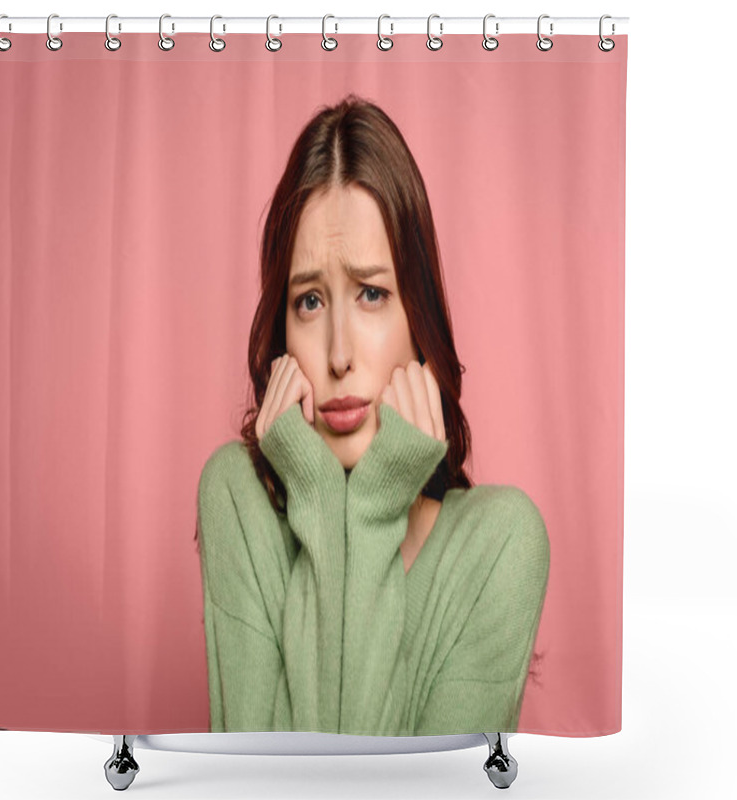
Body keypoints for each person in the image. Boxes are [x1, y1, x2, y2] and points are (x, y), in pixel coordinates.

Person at [195, 94, 550, 736]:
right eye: (308, 301)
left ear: (419, 318)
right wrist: (325, 501)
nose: (337, 354)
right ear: (282, 335)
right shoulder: (235, 497)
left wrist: (374, 505)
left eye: (371, 294)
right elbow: (254, 784)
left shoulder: (502, 545)